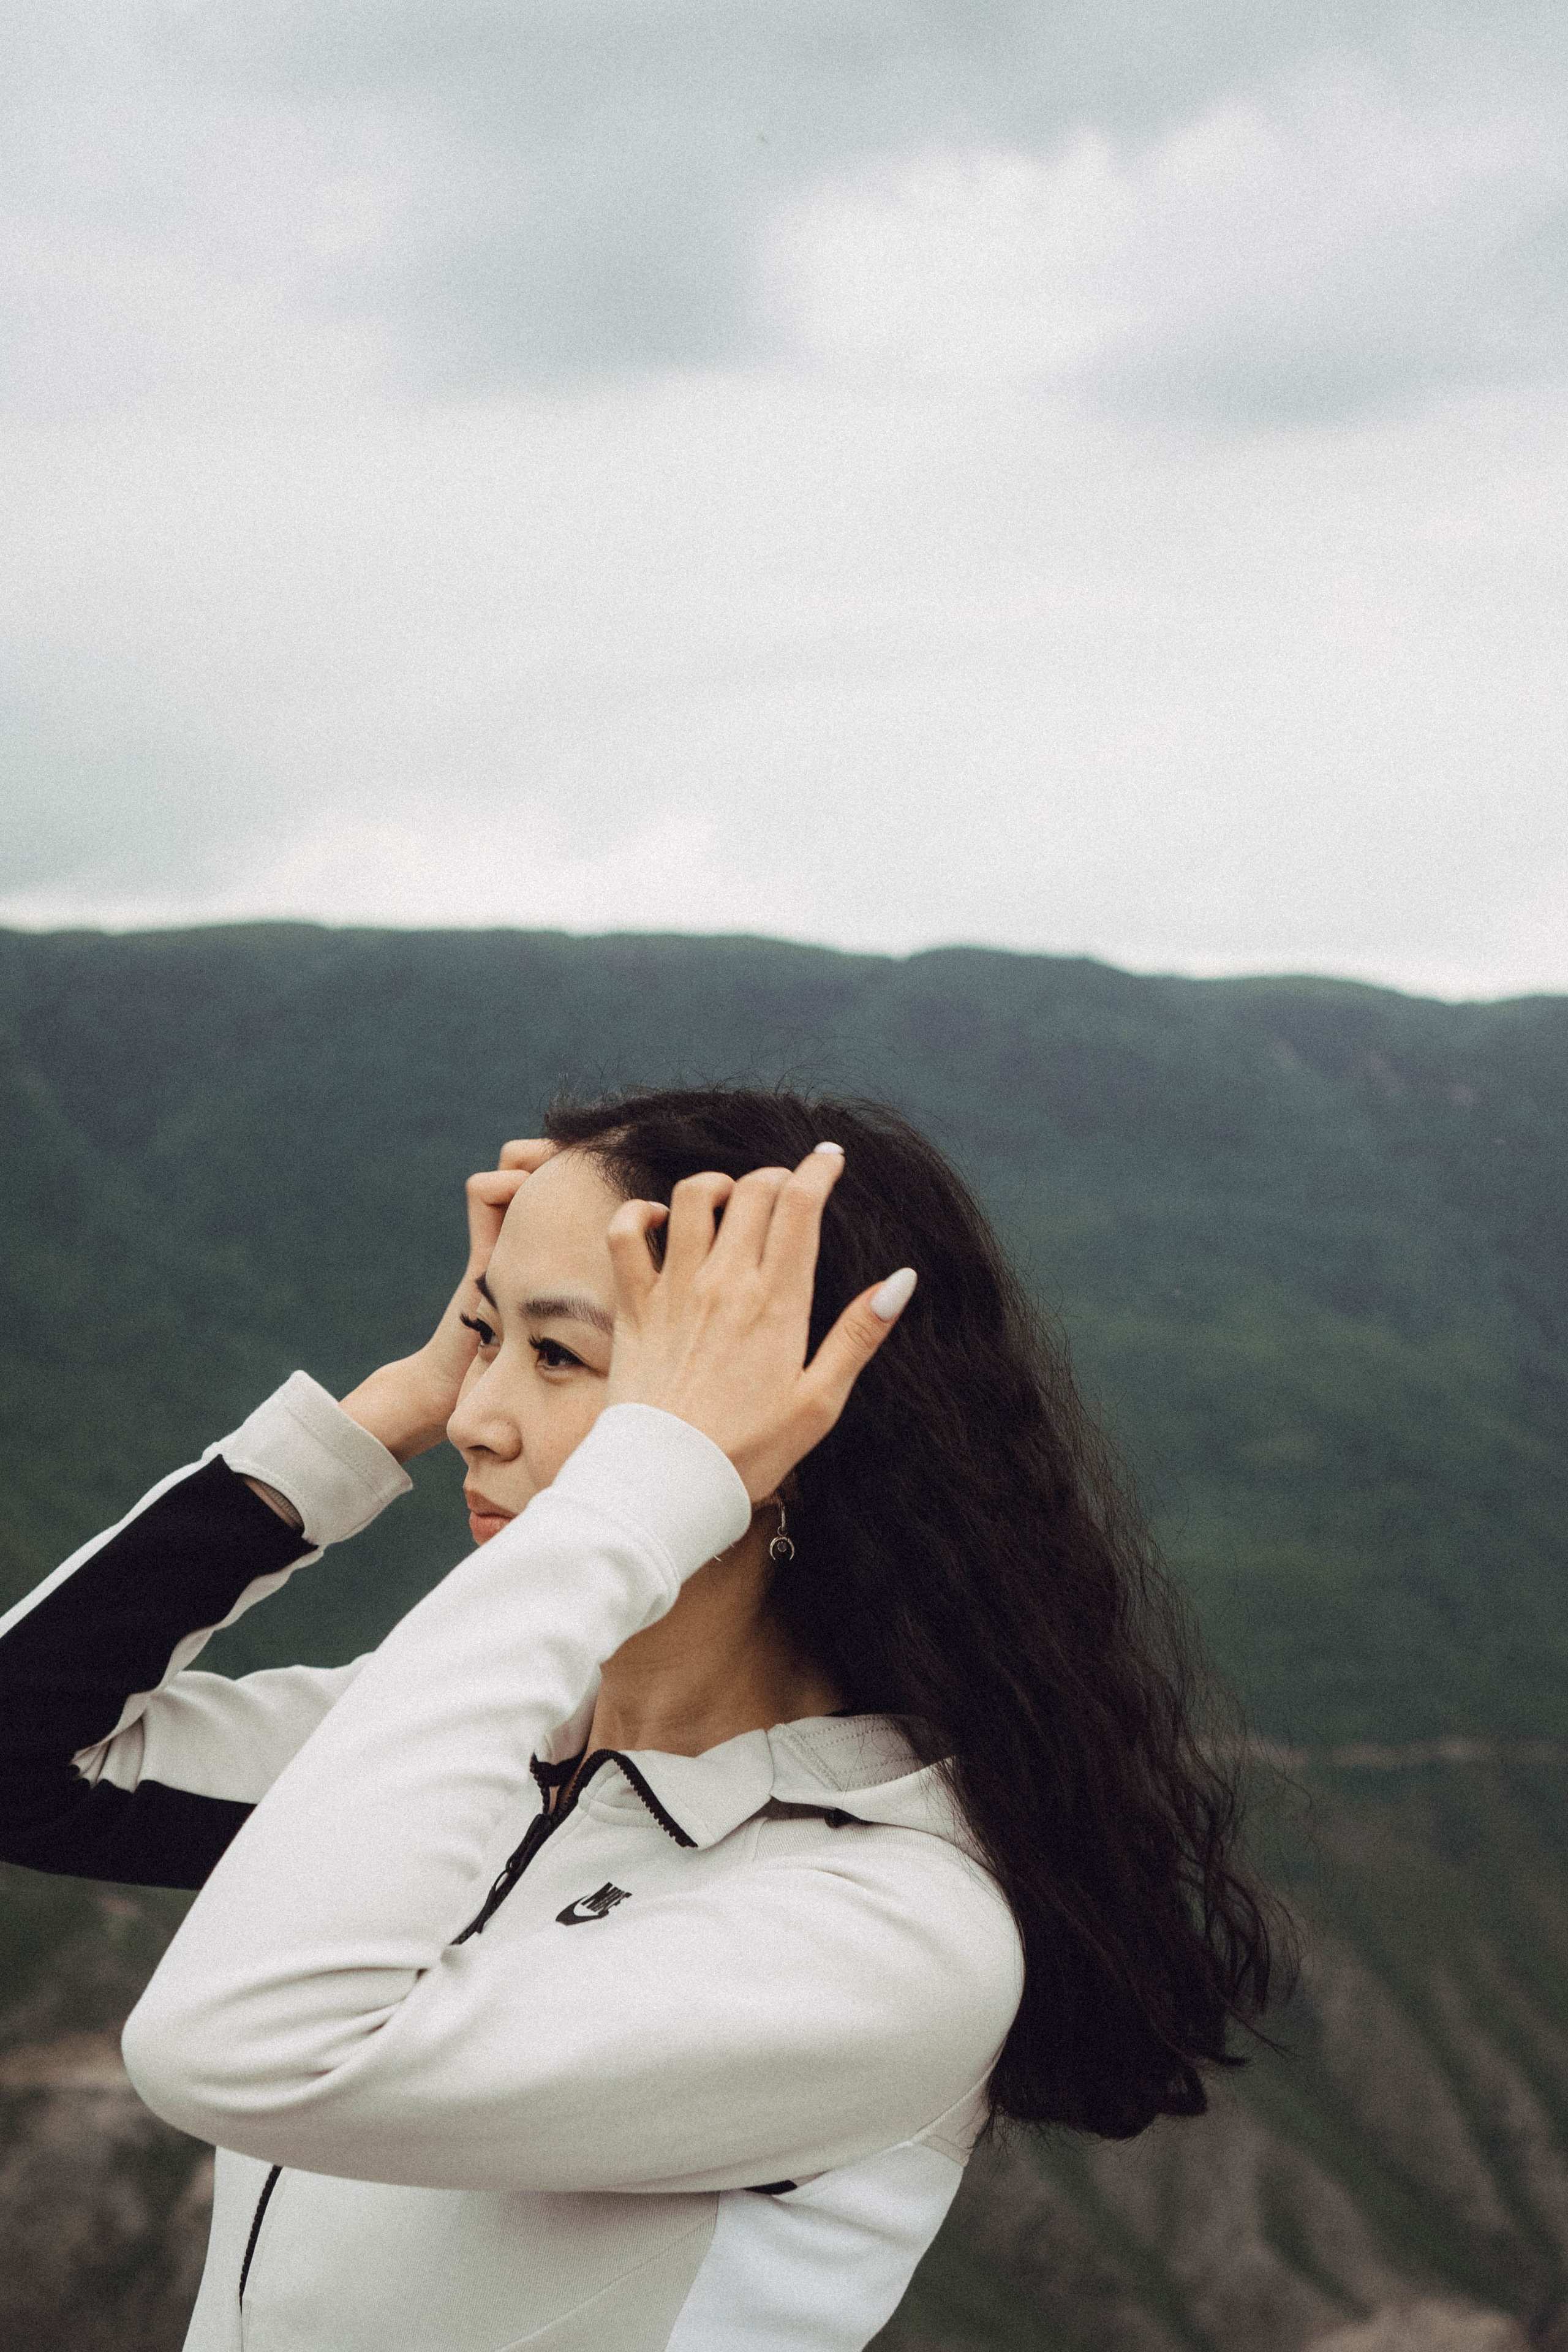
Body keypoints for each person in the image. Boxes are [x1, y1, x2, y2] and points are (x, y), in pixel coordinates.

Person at [0, 1087, 1279, 2351]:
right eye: (481, 1337)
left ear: (788, 1433)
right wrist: (382, 1409)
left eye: (556, 1355)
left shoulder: (890, 1925)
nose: (472, 1419)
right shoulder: (488, 1749)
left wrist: (641, 1495)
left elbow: (235, 2052)